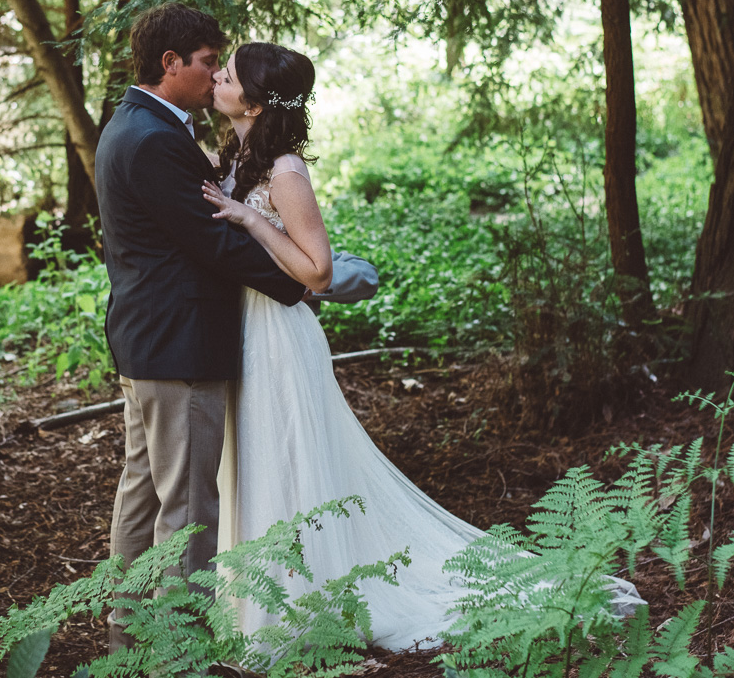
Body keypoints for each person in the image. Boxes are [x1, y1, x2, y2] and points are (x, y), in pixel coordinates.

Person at [202, 41, 645, 649]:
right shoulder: (236, 159)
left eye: (225, 74)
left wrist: (251, 220)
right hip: (247, 328)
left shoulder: (283, 171)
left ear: (252, 101)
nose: (215, 79)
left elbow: (320, 273)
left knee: (285, 454)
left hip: (279, 332)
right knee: (252, 455)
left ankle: (297, 604)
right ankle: (257, 593)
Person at [94, 4, 307, 654]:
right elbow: (208, 240)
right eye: (210, 61)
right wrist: (294, 282)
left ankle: (128, 634)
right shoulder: (155, 137)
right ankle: (179, 651)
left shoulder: (132, 125)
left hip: (148, 340)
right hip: (179, 342)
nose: (217, 74)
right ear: (171, 63)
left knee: (141, 495)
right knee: (187, 507)